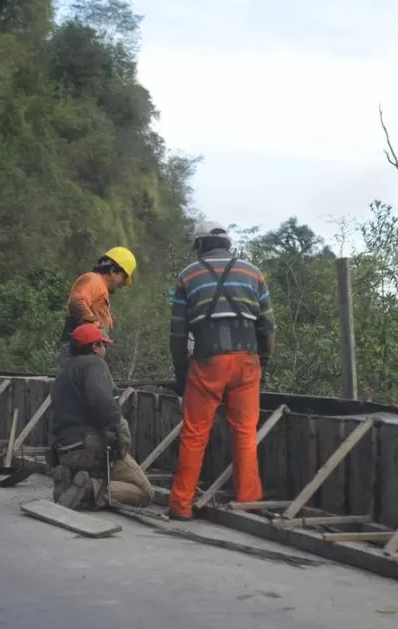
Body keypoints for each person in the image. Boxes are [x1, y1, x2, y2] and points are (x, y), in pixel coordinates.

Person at [167, 221, 276, 520]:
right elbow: (267, 325)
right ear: (227, 245)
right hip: (246, 360)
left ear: (200, 245)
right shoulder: (253, 273)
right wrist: (261, 363)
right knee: (244, 433)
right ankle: (249, 502)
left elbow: (178, 333)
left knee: (194, 433)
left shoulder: (188, 275)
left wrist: (181, 375)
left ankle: (181, 506)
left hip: (207, 361)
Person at [48, 323, 155, 509]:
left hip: (64, 450)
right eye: (104, 345)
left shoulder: (64, 371)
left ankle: (68, 477)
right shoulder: (95, 364)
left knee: (93, 466)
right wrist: (119, 425)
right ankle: (91, 489)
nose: (106, 349)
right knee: (144, 491)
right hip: (89, 448)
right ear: (95, 347)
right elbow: (101, 402)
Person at [58, 247, 137, 368]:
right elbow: (76, 301)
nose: (123, 284)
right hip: (80, 350)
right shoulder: (93, 279)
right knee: (78, 384)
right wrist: (96, 328)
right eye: (124, 277)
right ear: (113, 270)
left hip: (87, 351)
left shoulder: (100, 287)